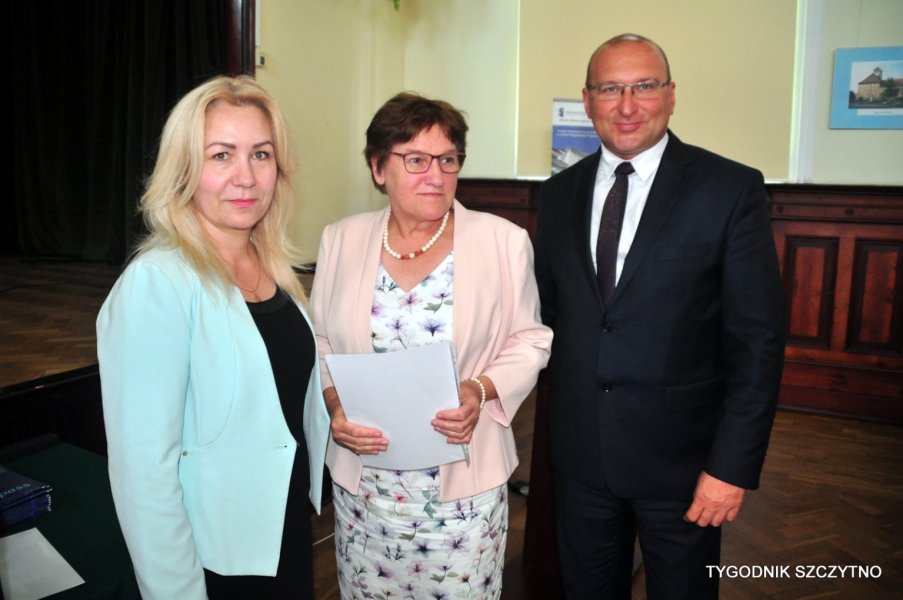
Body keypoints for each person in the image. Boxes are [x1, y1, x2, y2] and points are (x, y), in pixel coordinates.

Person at [533, 34, 785, 599]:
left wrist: (731, 467)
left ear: (671, 95)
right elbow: (547, 319)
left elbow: (758, 342)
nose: (627, 105)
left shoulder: (728, 189)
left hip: (686, 468)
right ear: (587, 100)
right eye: (609, 89)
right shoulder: (556, 195)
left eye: (644, 86)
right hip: (580, 460)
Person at [310, 92, 552, 599]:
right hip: (366, 487)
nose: (437, 176)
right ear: (378, 167)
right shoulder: (341, 239)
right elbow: (322, 339)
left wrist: (480, 389)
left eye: (448, 159)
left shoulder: (503, 241)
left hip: (462, 489)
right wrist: (334, 403)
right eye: (416, 160)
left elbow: (531, 339)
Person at [96, 75, 330, 600]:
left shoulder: (277, 271)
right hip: (212, 561)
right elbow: (144, 474)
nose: (245, 177)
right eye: (221, 155)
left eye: (261, 155)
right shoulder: (157, 283)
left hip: (282, 534)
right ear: (184, 170)